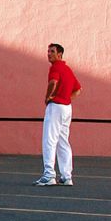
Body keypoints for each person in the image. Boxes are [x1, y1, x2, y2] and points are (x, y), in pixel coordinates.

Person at [34, 43, 82, 186]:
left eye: (52, 51)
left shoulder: (55, 68)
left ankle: (49, 175)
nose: (49, 54)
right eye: (48, 51)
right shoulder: (67, 69)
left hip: (55, 107)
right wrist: (66, 98)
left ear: (59, 54)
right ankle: (67, 176)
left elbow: (53, 82)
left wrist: (48, 97)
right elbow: (78, 90)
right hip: (67, 108)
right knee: (63, 141)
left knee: (49, 140)